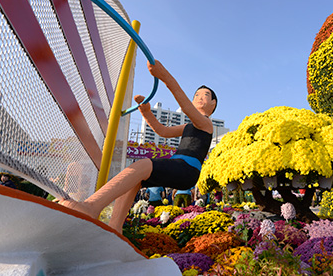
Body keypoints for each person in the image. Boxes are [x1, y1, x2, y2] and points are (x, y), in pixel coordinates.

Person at [60, 59, 217, 233]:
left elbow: (186, 108)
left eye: (205, 96)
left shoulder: (206, 124)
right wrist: (146, 113)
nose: (199, 97)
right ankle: (114, 227)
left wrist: (165, 76)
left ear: (213, 105)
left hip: (187, 169)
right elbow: (162, 131)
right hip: (178, 166)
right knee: (136, 179)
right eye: (196, 95)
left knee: (142, 165)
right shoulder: (189, 126)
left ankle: (91, 207)